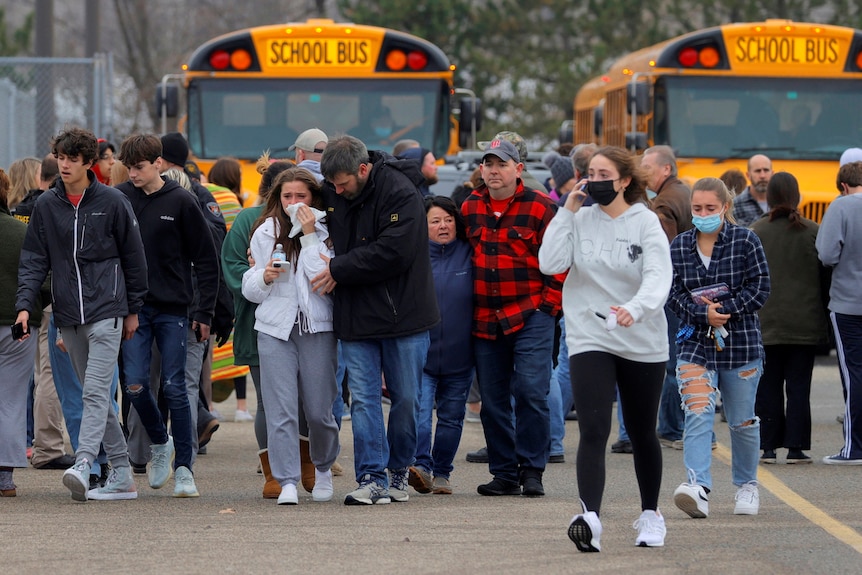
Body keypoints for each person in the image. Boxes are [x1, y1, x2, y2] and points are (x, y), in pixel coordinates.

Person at [539, 145, 672, 551]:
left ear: (624, 180)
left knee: (642, 430)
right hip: (589, 335)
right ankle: (589, 518)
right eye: (589, 173)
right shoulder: (578, 218)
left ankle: (651, 515)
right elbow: (550, 262)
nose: (594, 181)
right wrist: (567, 211)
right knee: (594, 429)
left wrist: (636, 308)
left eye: (603, 174)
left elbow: (657, 276)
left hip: (641, 337)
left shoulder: (645, 223)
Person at [16, 127, 148, 502]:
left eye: (74, 159)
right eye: (61, 158)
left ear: (89, 162)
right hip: (67, 315)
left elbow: (134, 259)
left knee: (94, 390)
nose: (66, 165)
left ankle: (85, 461)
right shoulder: (46, 205)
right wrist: (25, 306)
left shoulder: (113, 201)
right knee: (96, 398)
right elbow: (34, 260)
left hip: (108, 310)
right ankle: (122, 473)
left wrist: (133, 309)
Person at [314, 135, 439, 505]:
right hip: (355, 314)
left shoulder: (401, 191)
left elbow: (394, 251)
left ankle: (399, 469)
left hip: (405, 314)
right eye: (333, 184)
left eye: (343, 183)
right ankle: (371, 476)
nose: (336, 190)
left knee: (406, 399)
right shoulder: (332, 189)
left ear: (363, 170)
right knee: (365, 400)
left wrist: (340, 267)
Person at [115, 133, 220, 498]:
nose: (133, 174)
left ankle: (185, 469)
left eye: (139, 167)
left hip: (175, 309)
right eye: (128, 167)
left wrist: (204, 311)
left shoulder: (182, 201)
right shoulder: (122, 199)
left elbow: (207, 260)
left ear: (158, 163)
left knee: (177, 388)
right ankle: (161, 442)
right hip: (135, 310)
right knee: (135, 384)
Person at [461, 137, 562, 499]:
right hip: (485, 318)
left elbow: (560, 259)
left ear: (518, 169)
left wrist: (549, 306)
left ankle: (532, 470)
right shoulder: (469, 207)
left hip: (531, 312)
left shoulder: (540, 207)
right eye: (488, 164)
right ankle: (504, 472)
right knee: (493, 399)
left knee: (532, 392)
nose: (493, 171)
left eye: (501, 164)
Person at [668, 177, 770, 519]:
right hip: (695, 342)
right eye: (697, 208)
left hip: (741, 343)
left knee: (742, 421)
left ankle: (747, 485)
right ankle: (697, 485)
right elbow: (672, 293)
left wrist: (726, 310)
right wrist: (701, 313)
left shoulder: (746, 240)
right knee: (697, 412)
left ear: (725, 207)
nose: (703, 214)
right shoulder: (680, 245)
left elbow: (761, 287)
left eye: (710, 208)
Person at [242, 167, 340, 505]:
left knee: (318, 410)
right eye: (287, 196)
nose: (294, 203)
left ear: (313, 198)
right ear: (277, 198)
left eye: (301, 196)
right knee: (280, 408)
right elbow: (250, 288)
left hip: (317, 328)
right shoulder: (265, 232)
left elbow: (320, 278)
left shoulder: (328, 231)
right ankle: (286, 481)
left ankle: (323, 466)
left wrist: (310, 233)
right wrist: (264, 277)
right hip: (274, 329)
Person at [222, 154, 297, 498]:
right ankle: (278, 472)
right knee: (276, 401)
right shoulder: (250, 220)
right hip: (261, 322)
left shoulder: (299, 219)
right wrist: (260, 280)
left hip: (282, 322)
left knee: (273, 401)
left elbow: (232, 267)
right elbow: (235, 268)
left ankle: (285, 472)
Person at [751, 172, 829, 464]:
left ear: (769, 197)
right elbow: (825, 277)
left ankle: (767, 446)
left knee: (767, 385)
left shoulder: (756, 231)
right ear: (797, 196)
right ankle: (796, 447)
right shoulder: (813, 231)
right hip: (804, 324)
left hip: (766, 323)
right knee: (799, 387)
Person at [408, 196, 474, 495]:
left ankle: (443, 473)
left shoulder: (469, 252)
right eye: (435, 221)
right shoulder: (414, 255)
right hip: (422, 356)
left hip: (461, 356)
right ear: (423, 227)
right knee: (420, 416)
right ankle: (421, 466)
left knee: (451, 418)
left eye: (448, 220)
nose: (443, 226)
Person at [641, 145, 694, 450]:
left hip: (674, 292)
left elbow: (663, 250)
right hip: (688, 289)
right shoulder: (683, 194)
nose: (643, 172)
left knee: (674, 362)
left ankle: (673, 428)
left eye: (648, 166)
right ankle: (674, 425)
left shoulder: (665, 203)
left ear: (666, 169)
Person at [816, 161, 862, 464]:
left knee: (854, 374)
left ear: (843, 185)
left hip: (848, 302)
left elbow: (827, 253)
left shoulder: (841, 207)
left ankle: (854, 447)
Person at [1, 168, 43, 497]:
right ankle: (5, 477)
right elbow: (43, 278)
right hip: (19, 325)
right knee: (12, 399)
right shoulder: (22, 233)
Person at [732, 154, 773, 227]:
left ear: (772, 173)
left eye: (766, 170)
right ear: (748, 175)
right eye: (758, 171)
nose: (762, 176)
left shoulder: (781, 204)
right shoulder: (736, 205)